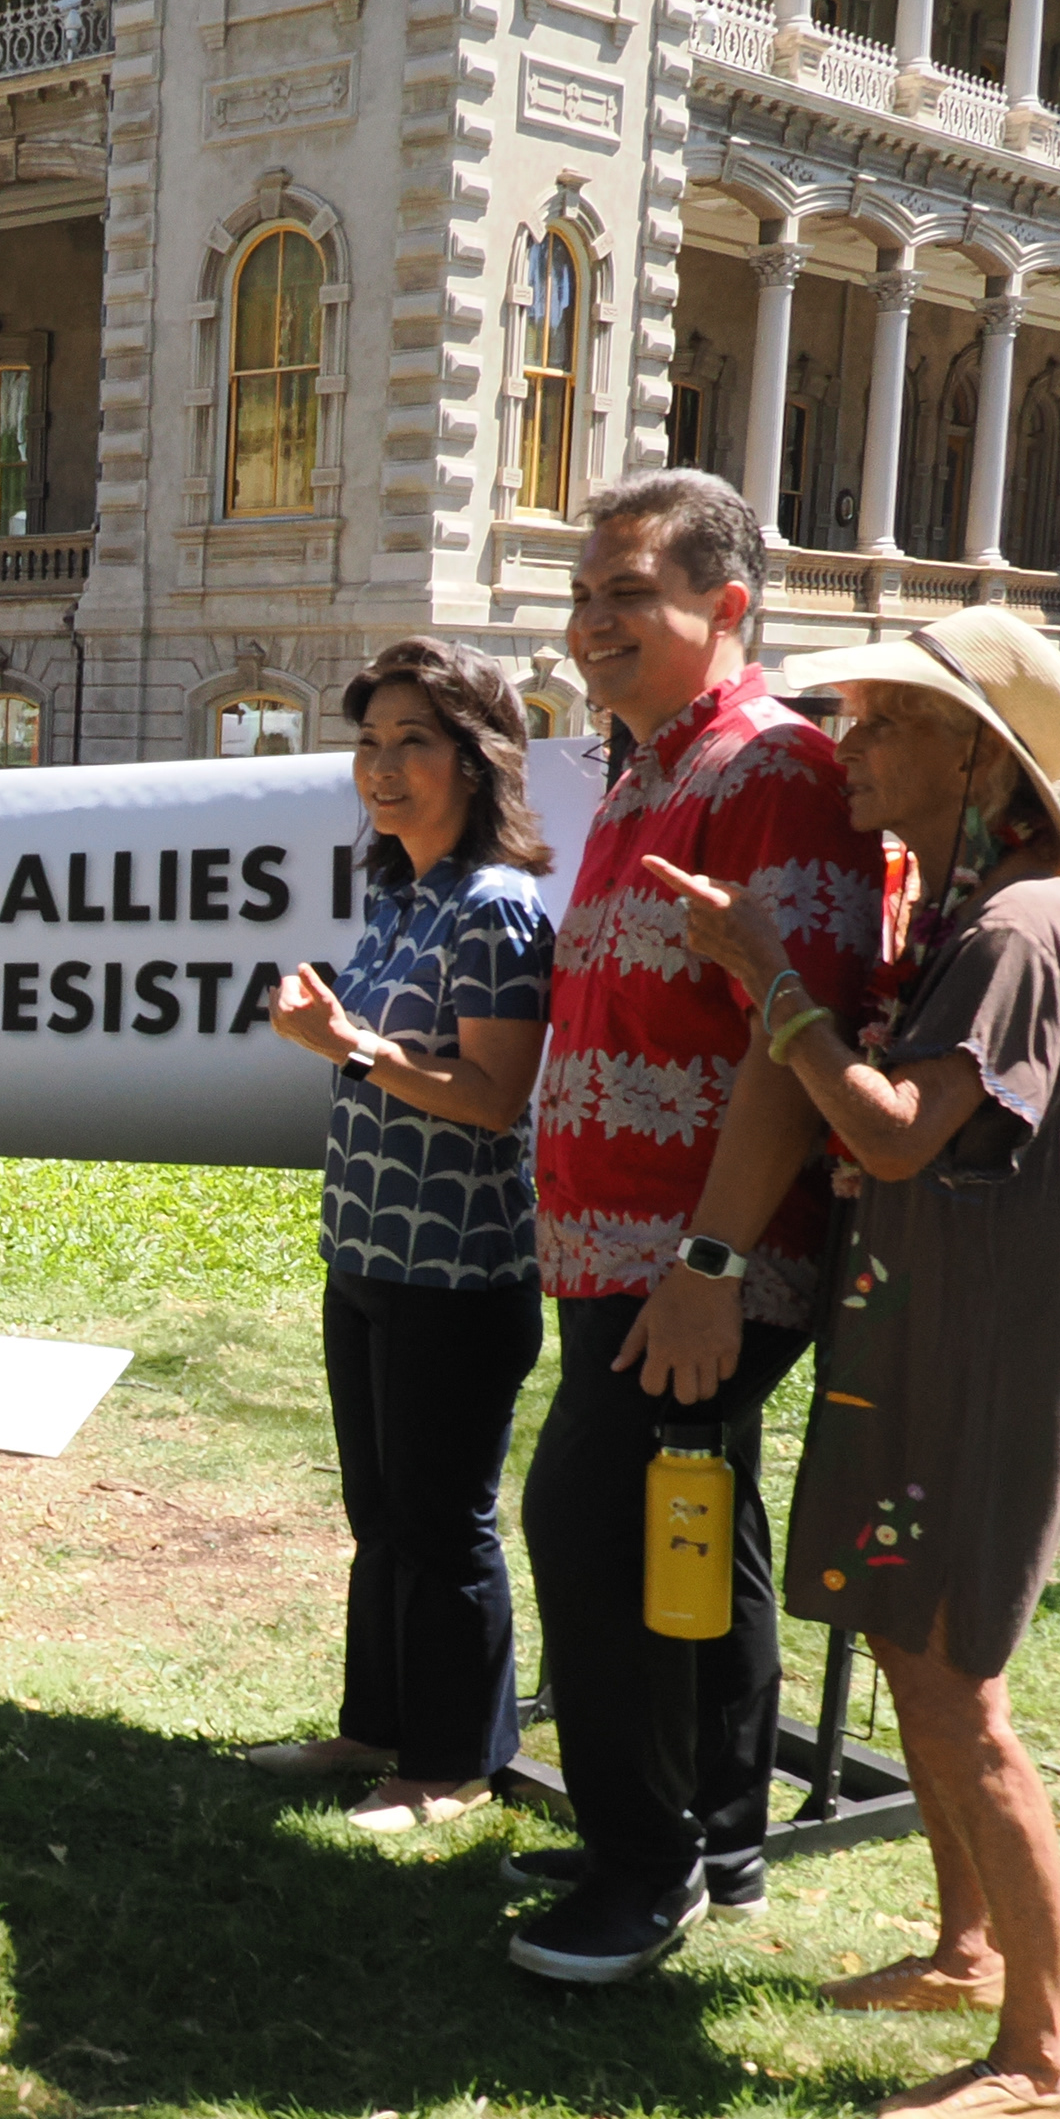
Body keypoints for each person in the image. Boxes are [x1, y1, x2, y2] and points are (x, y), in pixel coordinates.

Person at [649, 605, 1060, 2119]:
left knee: (957, 1688)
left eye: (886, 723)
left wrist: (764, 972)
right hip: (930, 1339)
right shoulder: (975, 919)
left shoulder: (1019, 932)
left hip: (984, 1363)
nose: (848, 748)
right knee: (918, 1656)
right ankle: (963, 1949)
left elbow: (895, 1131)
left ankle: (1045, 2058)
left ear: (980, 756)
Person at [506, 470, 884, 1987]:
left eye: (629, 597)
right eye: (585, 595)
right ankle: (714, 1826)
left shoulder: (773, 772)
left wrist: (712, 1270)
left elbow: (788, 1050)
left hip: (700, 1262)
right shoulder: (641, 774)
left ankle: (640, 1863)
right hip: (611, 1254)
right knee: (691, 1516)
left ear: (727, 608)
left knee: (585, 1526)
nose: (593, 622)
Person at [256, 637, 555, 1834]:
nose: (382, 768)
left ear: (476, 763)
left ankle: (454, 1764)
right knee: (380, 1518)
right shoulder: (398, 894)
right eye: (370, 743)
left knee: (443, 1524)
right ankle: (374, 1730)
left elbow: (492, 1096)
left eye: (412, 743)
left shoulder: (498, 910)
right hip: (369, 1255)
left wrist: (354, 1048)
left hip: (461, 1271)